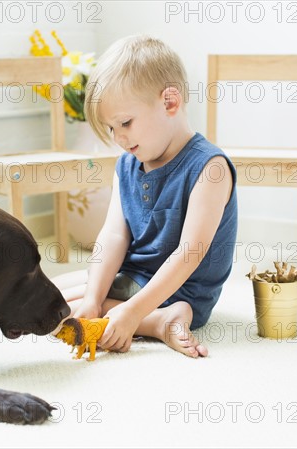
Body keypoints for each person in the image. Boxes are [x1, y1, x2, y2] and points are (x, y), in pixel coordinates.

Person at [52, 35, 238, 358]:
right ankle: (156, 320)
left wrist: (133, 312)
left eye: (125, 123)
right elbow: (113, 235)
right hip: (134, 277)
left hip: (182, 288)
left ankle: (154, 320)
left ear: (170, 103)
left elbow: (189, 255)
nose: (120, 138)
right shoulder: (127, 164)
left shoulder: (210, 168)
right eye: (112, 129)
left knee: (56, 306)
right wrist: (94, 299)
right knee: (52, 300)